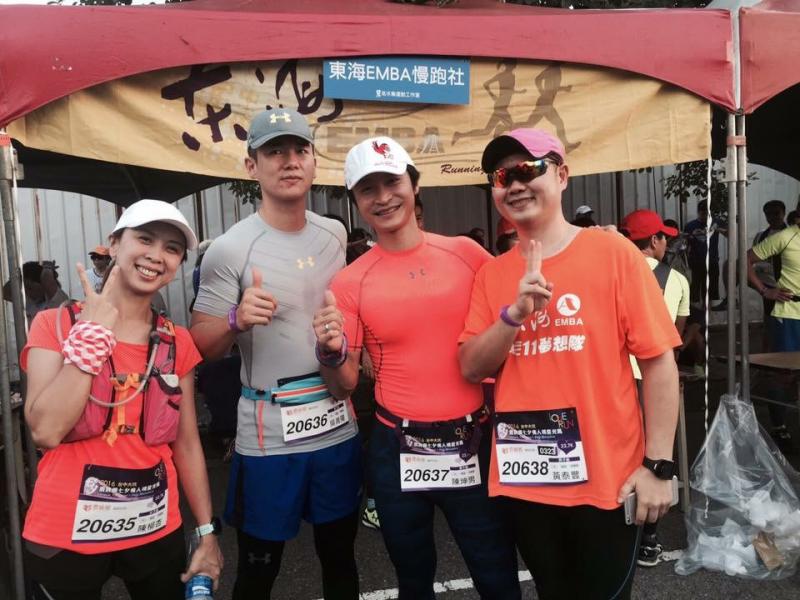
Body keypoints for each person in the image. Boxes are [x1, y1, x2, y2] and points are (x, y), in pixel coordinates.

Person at [459, 128, 681, 600]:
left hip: (609, 482)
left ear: (562, 175)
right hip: (527, 481)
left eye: (529, 169)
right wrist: (514, 315)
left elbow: (659, 361)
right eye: (502, 176)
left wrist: (658, 466)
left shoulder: (614, 253)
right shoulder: (492, 274)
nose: (515, 184)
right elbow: (471, 367)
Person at [314, 136, 521, 600]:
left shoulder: (467, 254)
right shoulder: (349, 281)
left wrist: (587, 241)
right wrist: (329, 352)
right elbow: (343, 385)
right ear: (355, 201)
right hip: (396, 446)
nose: (383, 197)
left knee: (497, 574)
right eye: (368, 189)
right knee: (412, 578)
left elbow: (521, 297)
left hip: (472, 439)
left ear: (414, 185)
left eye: (392, 182)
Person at [190, 108, 361, 600]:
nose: (289, 161)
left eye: (300, 150)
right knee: (258, 573)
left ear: (314, 162)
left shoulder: (334, 233)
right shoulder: (229, 248)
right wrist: (234, 319)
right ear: (252, 166)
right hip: (268, 436)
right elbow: (200, 345)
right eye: (275, 151)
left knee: (341, 562)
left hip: (335, 422)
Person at [21, 200, 222, 600]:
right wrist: (91, 336)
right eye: (144, 239)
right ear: (114, 244)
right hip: (66, 530)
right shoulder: (55, 323)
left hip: (153, 526)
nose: (156, 255)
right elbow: (45, 430)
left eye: (171, 248)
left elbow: (186, 443)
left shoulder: (177, 341)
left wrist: (206, 532)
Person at [621, 209, 690, 567]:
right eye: (664, 237)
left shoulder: (612, 271)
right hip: (655, 380)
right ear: (654, 240)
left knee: (619, 455)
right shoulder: (676, 279)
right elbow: (675, 336)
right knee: (654, 458)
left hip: (616, 380)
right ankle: (649, 540)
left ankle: (615, 532)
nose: (667, 244)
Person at [748, 207, 800, 452]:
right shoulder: (785, 236)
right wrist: (764, 290)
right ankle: (779, 426)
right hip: (788, 314)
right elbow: (745, 261)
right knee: (784, 373)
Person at [684, 200, 724, 306]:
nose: (705, 216)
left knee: (712, 293)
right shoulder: (690, 226)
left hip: (712, 263)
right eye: (703, 214)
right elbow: (685, 245)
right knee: (695, 293)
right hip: (696, 264)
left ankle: (710, 313)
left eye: (707, 214)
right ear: (698, 212)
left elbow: (730, 233)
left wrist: (717, 228)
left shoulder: (715, 223)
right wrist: (691, 236)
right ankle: (696, 313)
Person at [4, 261, 69, 322]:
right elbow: (5, 292)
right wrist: (18, 276)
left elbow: (47, 279)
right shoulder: (30, 302)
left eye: (30, 287)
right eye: (25, 288)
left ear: (42, 283)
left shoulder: (57, 299)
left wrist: (47, 267)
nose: (27, 292)